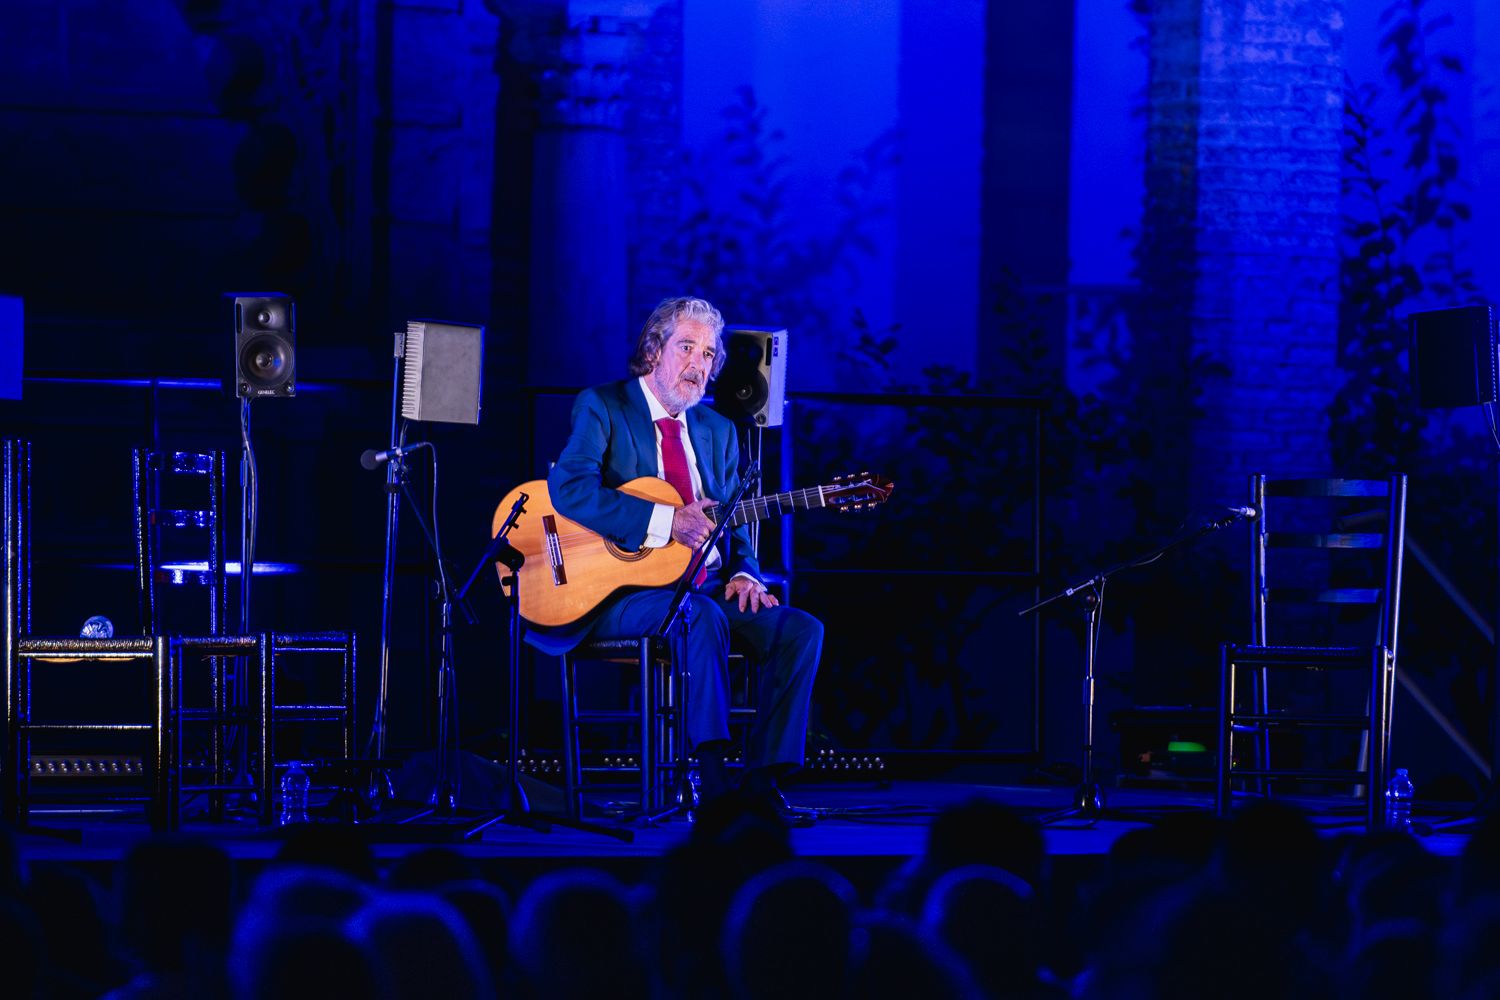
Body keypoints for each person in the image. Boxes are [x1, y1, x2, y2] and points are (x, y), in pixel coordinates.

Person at [535, 296, 823, 824]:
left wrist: (744, 573)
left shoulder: (718, 430)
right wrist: (667, 522)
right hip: (622, 596)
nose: (699, 363)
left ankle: (761, 782)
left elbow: (737, 517)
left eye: (709, 353)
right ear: (653, 351)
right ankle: (711, 777)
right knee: (701, 617)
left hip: (706, 587)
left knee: (801, 629)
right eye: (686, 347)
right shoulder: (604, 406)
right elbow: (570, 490)